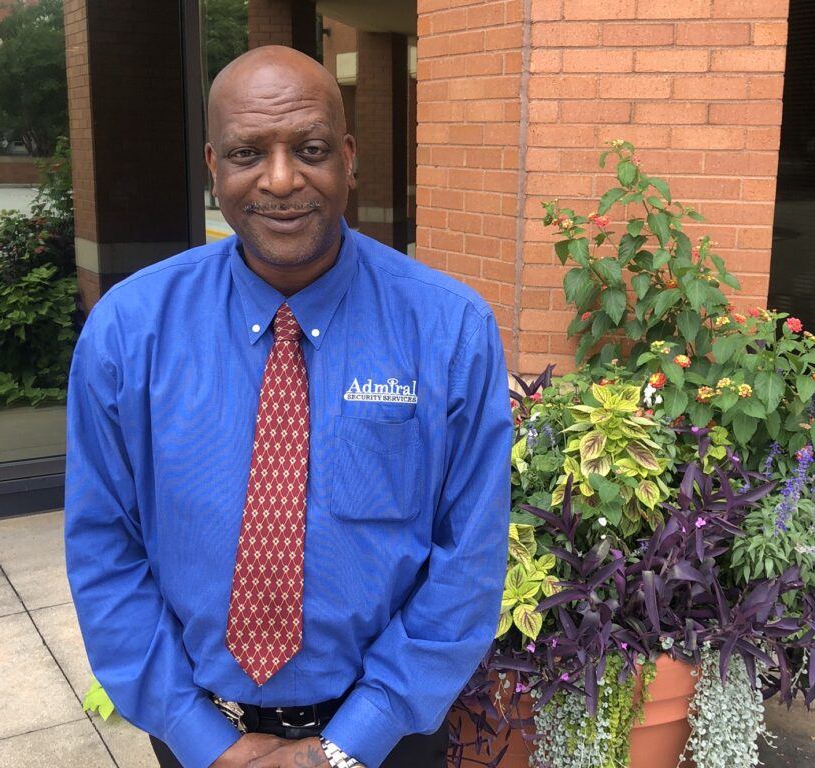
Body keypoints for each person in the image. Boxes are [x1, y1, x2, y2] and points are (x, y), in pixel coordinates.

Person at [64, 45, 511, 768]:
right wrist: (202, 738)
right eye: (247, 153)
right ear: (213, 164)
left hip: (388, 739)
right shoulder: (129, 331)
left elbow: (469, 562)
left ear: (349, 157)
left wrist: (345, 745)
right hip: (200, 734)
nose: (280, 179)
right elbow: (103, 551)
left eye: (309, 149)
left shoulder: (450, 331)